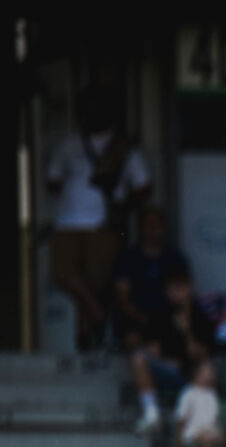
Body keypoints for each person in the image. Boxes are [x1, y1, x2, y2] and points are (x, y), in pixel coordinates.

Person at [46, 85, 151, 349]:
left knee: (97, 282)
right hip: (67, 221)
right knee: (63, 274)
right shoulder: (69, 144)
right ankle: (98, 315)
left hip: (103, 225)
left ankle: (86, 338)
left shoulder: (124, 148)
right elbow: (52, 180)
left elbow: (144, 186)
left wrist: (122, 204)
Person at [130, 271, 215, 435]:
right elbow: (153, 350)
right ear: (167, 292)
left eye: (181, 288)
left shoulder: (202, 318)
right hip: (169, 370)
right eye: (173, 289)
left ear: (190, 288)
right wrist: (166, 360)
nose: (177, 293)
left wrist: (186, 331)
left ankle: (201, 422)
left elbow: (200, 354)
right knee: (139, 358)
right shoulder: (160, 316)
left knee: (207, 370)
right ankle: (152, 414)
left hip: (193, 374)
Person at [112, 206, 189, 348]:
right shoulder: (128, 258)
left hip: (168, 320)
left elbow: (184, 294)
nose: (153, 229)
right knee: (133, 339)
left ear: (164, 227)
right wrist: (145, 319)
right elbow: (122, 298)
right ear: (140, 228)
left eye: (157, 225)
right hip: (136, 319)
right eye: (148, 225)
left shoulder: (174, 258)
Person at [174, 361, 224, 447]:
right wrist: (179, 441)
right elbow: (182, 419)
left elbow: (215, 419)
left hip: (211, 431)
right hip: (192, 433)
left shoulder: (212, 395)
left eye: (211, 371)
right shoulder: (188, 393)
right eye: (208, 371)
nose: (211, 374)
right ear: (198, 373)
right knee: (208, 440)